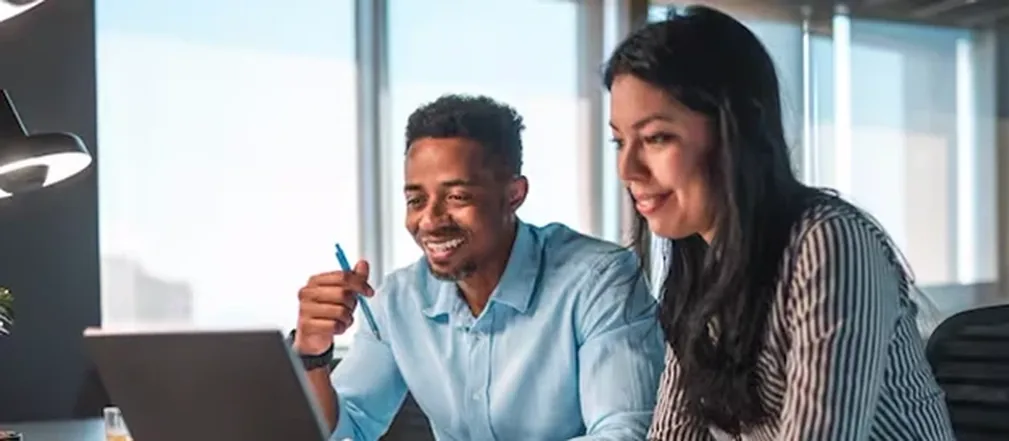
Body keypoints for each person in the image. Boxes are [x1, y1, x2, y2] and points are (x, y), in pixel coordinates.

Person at [605, 6, 955, 441]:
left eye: (657, 137)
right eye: (619, 141)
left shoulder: (829, 243)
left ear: (737, 130)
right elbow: (673, 434)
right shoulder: (698, 264)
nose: (626, 169)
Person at [291, 94, 665, 441]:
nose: (430, 220)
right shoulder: (397, 301)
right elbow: (348, 430)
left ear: (514, 195)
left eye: (457, 197)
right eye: (416, 199)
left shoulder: (600, 281)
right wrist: (312, 354)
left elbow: (625, 433)